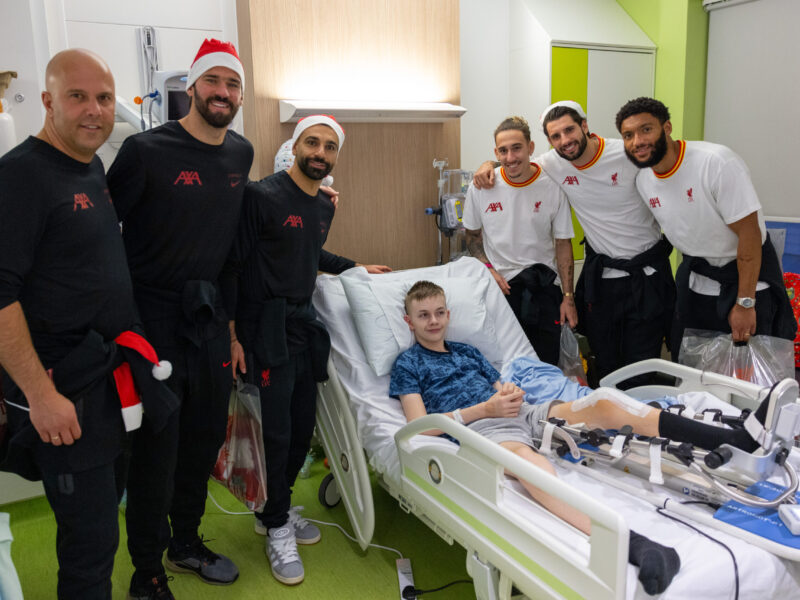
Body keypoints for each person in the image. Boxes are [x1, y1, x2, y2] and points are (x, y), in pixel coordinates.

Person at [390, 281, 780, 595]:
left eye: (439, 312)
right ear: (410, 321)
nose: (434, 321)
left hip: (518, 412)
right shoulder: (408, 364)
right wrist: (486, 411)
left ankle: (735, 437)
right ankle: (642, 547)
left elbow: (499, 385)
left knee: (607, 404)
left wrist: (508, 394)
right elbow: (422, 425)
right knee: (529, 466)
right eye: (423, 315)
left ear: (448, 314)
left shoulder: (467, 350)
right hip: (481, 428)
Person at [0, 49, 177, 600]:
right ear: (49, 101)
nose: (95, 110)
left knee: (107, 513)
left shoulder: (90, 164)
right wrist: (40, 394)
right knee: (90, 543)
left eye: (103, 97)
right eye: (78, 97)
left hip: (105, 379)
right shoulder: (20, 178)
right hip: (61, 389)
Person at [106, 39, 254, 597]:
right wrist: (119, 325)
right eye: (213, 82)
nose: (223, 93)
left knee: (202, 440)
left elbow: (235, 247)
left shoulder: (241, 153)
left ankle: (186, 542)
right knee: (155, 452)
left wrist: (233, 329)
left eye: (233, 84)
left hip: (210, 320)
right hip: (154, 320)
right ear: (191, 87)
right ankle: (146, 569)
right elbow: (103, 236)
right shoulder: (147, 151)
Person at [221, 114, 390, 585]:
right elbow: (232, 267)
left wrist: (354, 267)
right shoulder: (261, 197)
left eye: (329, 147)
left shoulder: (323, 206)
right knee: (275, 432)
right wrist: (233, 336)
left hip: (302, 326)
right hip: (263, 328)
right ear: (295, 146)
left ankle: (275, 508)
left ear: (336, 156)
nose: (320, 152)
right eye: (312, 143)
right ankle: (276, 526)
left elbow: (308, 254)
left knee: (300, 431)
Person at [473, 102, 675, 382]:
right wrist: (488, 165)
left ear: (585, 126)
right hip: (602, 277)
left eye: (569, 130)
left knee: (643, 363)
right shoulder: (553, 163)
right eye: (556, 136)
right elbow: (513, 163)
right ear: (547, 143)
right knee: (604, 362)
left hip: (646, 275)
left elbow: (664, 159)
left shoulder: (626, 153)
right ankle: (607, 420)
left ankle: (645, 417)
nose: (565, 141)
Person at [615, 97, 797, 354]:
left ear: (666, 127)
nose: (638, 141)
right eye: (628, 135)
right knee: (694, 364)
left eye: (646, 129)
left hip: (747, 281)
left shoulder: (715, 163)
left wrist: (745, 303)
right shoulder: (644, 179)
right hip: (697, 279)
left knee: (749, 372)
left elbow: (750, 234)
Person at [462, 116, 576, 365]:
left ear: (531, 148)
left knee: (546, 364)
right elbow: (472, 236)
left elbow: (563, 244)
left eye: (517, 148)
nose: (510, 157)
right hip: (501, 288)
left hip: (544, 287)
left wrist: (568, 297)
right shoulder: (481, 187)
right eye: (503, 150)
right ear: (495, 152)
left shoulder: (551, 186)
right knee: (506, 366)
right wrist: (488, 268)